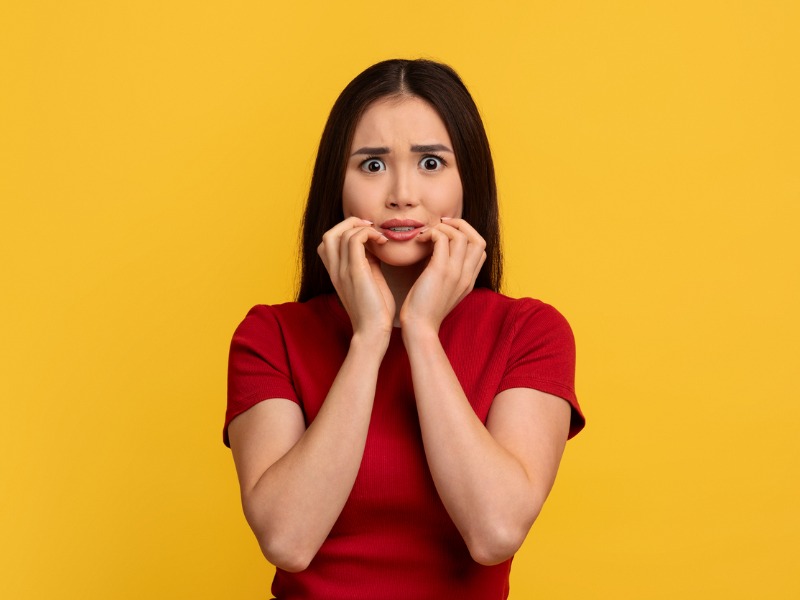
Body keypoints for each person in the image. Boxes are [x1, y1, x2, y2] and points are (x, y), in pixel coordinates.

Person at [223, 58, 585, 600]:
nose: (401, 193)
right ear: (337, 186)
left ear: (468, 181)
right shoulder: (270, 335)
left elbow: (495, 532)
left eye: (431, 163)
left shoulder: (530, 332)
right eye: (372, 165)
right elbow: (287, 540)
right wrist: (369, 338)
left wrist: (419, 331)